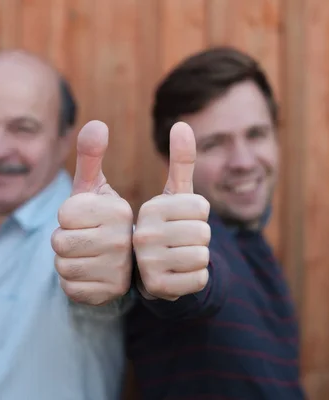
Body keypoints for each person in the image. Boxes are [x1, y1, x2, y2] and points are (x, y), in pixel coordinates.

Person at [0, 49, 133, 400]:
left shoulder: (75, 237)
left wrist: (113, 263)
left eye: (23, 129)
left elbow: (99, 279)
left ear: (63, 140)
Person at [126, 47, 307, 399]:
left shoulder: (253, 247)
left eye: (256, 134)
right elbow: (191, 282)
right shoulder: (204, 246)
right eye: (214, 144)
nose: (243, 161)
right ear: (171, 159)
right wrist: (170, 271)